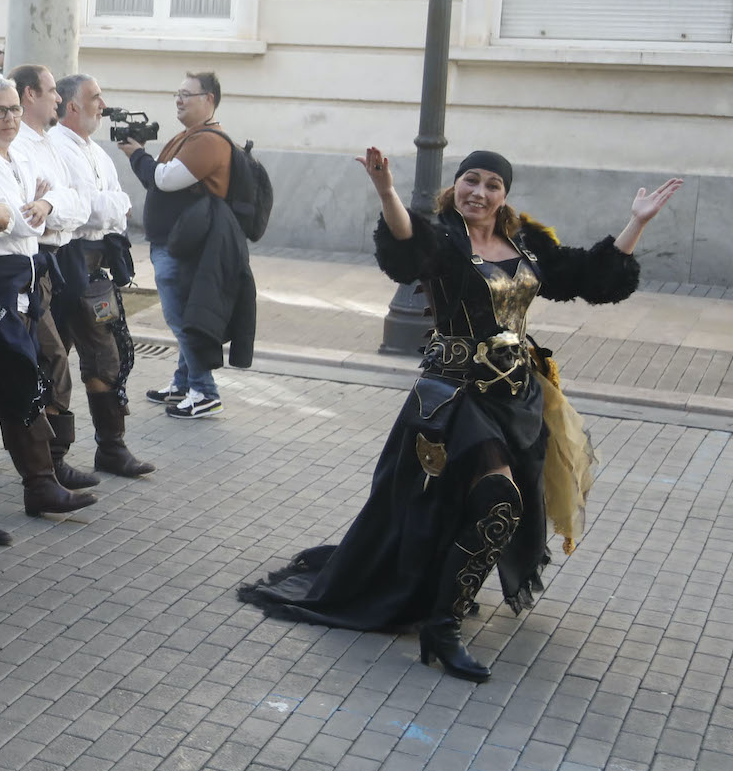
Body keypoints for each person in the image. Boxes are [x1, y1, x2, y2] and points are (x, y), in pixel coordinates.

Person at [242, 152, 682, 681]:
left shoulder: (527, 243)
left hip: (517, 397)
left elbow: (591, 277)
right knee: (498, 497)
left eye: (493, 184)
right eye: (471, 180)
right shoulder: (444, 238)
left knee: (480, 506)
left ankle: (450, 590)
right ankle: (441, 625)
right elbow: (407, 249)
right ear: (456, 187)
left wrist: (635, 222)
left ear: (504, 195)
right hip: (453, 394)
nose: (480, 191)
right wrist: (386, 192)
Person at [42, 74, 154, 480]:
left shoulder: (98, 153)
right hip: (64, 265)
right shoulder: (55, 148)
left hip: (95, 270)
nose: (102, 106)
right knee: (53, 364)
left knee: (106, 357)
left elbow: (120, 206)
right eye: (95, 98)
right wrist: (108, 206)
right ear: (71, 106)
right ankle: (51, 460)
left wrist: (107, 205)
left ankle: (111, 448)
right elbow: (83, 210)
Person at [8, 66, 99, 498]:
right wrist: (45, 206)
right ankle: (46, 467)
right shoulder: (19, 146)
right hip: (27, 262)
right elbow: (26, 217)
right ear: (30, 95)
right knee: (48, 359)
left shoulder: (47, 143)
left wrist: (49, 203)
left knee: (51, 359)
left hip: (53, 259)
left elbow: (80, 206)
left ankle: (51, 464)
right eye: (50, 92)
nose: (58, 101)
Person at [124, 72, 235, 418]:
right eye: (178, 93)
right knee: (182, 316)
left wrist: (137, 154)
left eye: (188, 94)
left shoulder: (209, 141)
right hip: (173, 244)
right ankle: (184, 382)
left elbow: (164, 180)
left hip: (183, 248)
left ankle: (205, 391)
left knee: (181, 318)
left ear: (210, 99)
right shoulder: (188, 136)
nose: (179, 100)